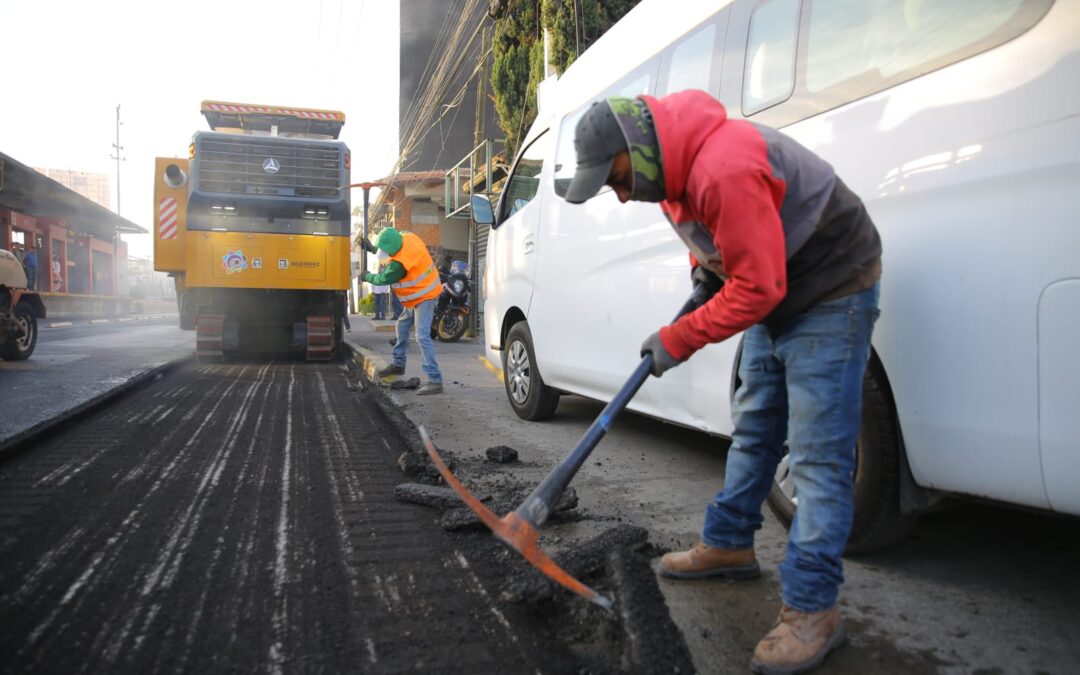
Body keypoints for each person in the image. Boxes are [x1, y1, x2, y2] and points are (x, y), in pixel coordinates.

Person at [564, 90, 882, 675]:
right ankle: (730, 543)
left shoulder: (721, 165)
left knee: (816, 458)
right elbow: (711, 243)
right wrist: (703, 286)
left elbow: (759, 286)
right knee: (756, 423)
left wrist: (681, 337)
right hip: (779, 280)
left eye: (617, 178)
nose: (623, 194)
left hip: (831, 282)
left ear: (639, 149)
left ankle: (814, 610)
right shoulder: (672, 178)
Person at [360, 227, 444, 395]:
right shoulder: (408, 237)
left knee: (422, 336)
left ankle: (435, 380)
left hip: (425, 295)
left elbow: (383, 279)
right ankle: (398, 364)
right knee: (402, 325)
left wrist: (367, 276)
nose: (384, 253)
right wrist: (372, 248)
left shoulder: (398, 265)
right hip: (417, 294)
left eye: (384, 250)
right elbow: (390, 245)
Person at [372, 248, 391, 320]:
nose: (380, 269)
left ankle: (383, 316)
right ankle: (377, 316)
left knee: (382, 304)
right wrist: (372, 290)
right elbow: (373, 282)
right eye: (380, 268)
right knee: (377, 304)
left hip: (382, 292)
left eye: (381, 268)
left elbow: (386, 283)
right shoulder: (376, 275)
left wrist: (386, 291)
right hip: (377, 292)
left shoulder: (384, 275)